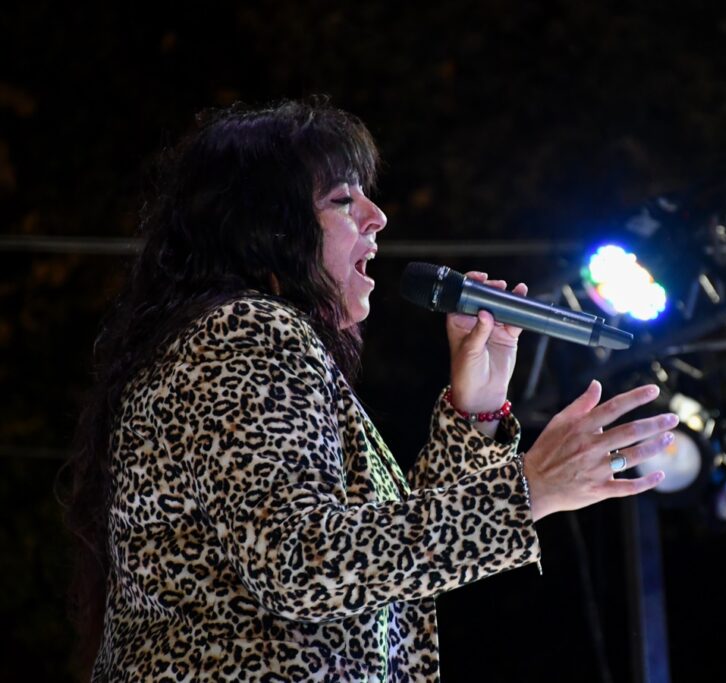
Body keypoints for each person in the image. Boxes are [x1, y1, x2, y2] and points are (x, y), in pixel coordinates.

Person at [63, 98, 679, 682]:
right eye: (340, 199)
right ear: (268, 229)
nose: (376, 216)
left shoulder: (247, 340)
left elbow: (382, 565)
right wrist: (529, 491)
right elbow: (301, 564)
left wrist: (477, 411)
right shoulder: (244, 331)